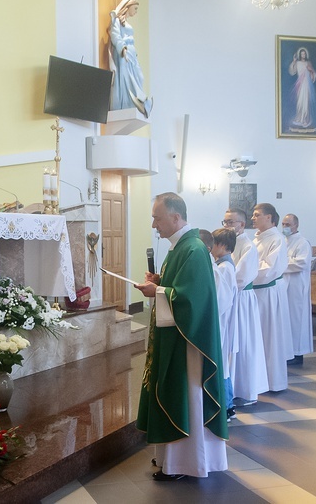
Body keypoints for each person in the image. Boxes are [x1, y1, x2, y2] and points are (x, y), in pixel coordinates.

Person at [135, 193, 227, 481]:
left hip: (190, 342)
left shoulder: (194, 249)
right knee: (176, 393)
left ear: (176, 218)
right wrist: (161, 284)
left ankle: (188, 463)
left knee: (187, 396)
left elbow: (192, 300)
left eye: (157, 218)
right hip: (176, 335)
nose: (154, 224)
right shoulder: (179, 247)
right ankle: (171, 460)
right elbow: (181, 287)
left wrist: (159, 293)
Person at [222, 209, 268, 405]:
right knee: (232, 343)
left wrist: (223, 281)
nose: (226, 225)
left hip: (242, 299)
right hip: (231, 296)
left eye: (231, 222)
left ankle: (246, 390)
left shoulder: (248, 246)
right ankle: (232, 388)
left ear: (241, 224)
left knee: (243, 342)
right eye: (224, 221)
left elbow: (240, 276)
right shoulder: (228, 243)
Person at [252, 203, 293, 392]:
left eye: (257, 214)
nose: (253, 218)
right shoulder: (257, 239)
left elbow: (268, 269)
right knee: (259, 337)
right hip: (257, 291)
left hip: (268, 293)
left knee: (270, 338)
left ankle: (274, 382)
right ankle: (260, 379)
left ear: (269, 217)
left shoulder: (276, 238)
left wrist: (243, 272)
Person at [208, 228, 239, 422]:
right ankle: (227, 405)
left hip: (222, 321)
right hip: (222, 320)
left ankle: (227, 406)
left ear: (224, 246)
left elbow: (222, 299)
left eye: (214, 244)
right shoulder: (222, 266)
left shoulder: (224, 268)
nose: (211, 248)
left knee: (222, 366)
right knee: (223, 365)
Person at [108, 0, 153, 117]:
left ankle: (140, 101)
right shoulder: (117, 20)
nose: (136, 12)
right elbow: (114, 34)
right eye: (135, 8)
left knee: (139, 77)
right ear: (128, 7)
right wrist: (122, 47)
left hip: (132, 54)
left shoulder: (126, 23)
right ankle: (128, 103)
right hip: (124, 54)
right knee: (126, 78)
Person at [282, 214, 313, 366]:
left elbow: (301, 263)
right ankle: (287, 351)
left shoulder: (302, 242)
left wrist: (281, 264)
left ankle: (297, 352)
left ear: (296, 225)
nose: (285, 227)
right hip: (284, 286)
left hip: (296, 288)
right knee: (286, 320)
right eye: (283, 224)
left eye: (288, 224)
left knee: (296, 321)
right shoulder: (284, 241)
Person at [288, 47, 316, 129]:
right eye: (301, 54)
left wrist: (310, 70)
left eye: (304, 54)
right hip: (300, 84)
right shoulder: (297, 63)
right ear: (300, 55)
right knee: (300, 102)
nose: (303, 55)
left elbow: (313, 73)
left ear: (306, 54)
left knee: (306, 101)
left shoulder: (308, 63)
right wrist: (293, 62)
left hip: (306, 84)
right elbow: (292, 72)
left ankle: (305, 119)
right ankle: (300, 118)